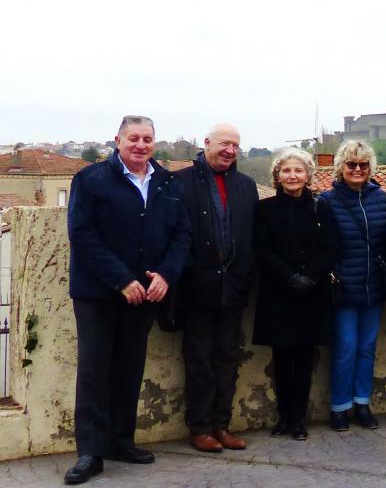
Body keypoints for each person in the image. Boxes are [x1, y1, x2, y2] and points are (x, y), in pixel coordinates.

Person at [65, 115, 190, 485]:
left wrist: (167, 273)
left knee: (129, 368)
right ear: (117, 140)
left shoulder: (168, 183)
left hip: (146, 294)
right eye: (133, 138)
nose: (140, 145)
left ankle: (121, 441)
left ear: (154, 143)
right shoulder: (90, 180)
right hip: (98, 293)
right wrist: (121, 279)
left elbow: (182, 235)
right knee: (94, 370)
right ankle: (90, 451)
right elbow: (82, 235)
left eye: (147, 139)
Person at [175, 123, 257, 453]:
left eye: (235, 146)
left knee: (227, 357)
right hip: (197, 288)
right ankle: (199, 428)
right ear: (206, 143)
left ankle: (222, 425)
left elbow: (251, 236)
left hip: (233, 287)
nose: (230, 150)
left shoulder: (247, 186)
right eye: (224, 144)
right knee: (198, 360)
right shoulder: (180, 183)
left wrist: (246, 275)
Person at [252, 148, 337, 440]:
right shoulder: (264, 210)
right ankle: (283, 417)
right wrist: (289, 277)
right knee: (282, 358)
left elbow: (330, 247)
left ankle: (298, 419)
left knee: (304, 358)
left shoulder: (321, 207)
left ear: (308, 175)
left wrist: (309, 276)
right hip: (279, 293)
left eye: (298, 170)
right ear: (277, 175)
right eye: (286, 170)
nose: (292, 175)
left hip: (311, 293)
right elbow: (262, 250)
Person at [319, 140, 386, 431]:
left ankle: (362, 403)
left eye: (363, 165)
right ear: (341, 167)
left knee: (367, 347)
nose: (358, 170)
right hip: (344, 287)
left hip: (374, 284)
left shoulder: (380, 198)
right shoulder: (327, 200)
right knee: (346, 348)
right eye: (352, 165)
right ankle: (340, 406)